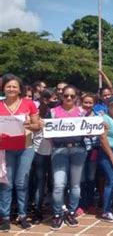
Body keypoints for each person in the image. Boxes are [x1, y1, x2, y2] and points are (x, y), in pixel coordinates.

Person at [0, 74, 41, 232]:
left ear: (19, 89)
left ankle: (22, 215)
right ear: (3, 88)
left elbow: (38, 126)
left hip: (25, 147)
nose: (11, 89)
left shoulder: (28, 104)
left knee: (21, 183)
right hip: (5, 149)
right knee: (6, 184)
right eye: (8, 86)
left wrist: (28, 124)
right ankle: (5, 217)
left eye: (14, 87)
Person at [48, 85, 87, 230]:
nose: (69, 98)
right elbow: (48, 132)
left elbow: (89, 130)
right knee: (59, 184)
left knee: (75, 185)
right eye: (66, 96)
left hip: (78, 149)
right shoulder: (53, 112)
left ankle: (71, 212)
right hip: (59, 150)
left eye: (72, 96)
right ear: (61, 96)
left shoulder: (82, 112)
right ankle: (57, 214)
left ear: (76, 97)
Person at [31, 89, 58, 224]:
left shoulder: (57, 112)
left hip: (55, 152)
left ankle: (55, 209)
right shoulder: (36, 111)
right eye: (53, 99)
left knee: (54, 183)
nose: (56, 101)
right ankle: (37, 211)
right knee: (40, 183)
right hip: (39, 152)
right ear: (45, 100)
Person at [78, 93, 99, 216]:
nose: (87, 105)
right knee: (80, 179)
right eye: (85, 102)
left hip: (94, 150)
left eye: (90, 103)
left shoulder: (98, 116)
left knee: (91, 178)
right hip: (80, 149)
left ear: (94, 104)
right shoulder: (76, 116)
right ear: (81, 103)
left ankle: (90, 203)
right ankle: (80, 204)